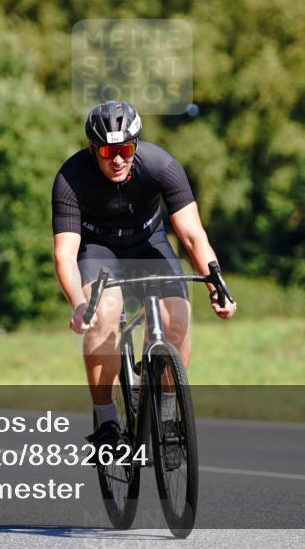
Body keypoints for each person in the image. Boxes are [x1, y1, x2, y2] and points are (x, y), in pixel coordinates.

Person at [52, 101, 237, 448]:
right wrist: (78, 303)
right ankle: (107, 423)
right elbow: (64, 254)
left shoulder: (161, 165)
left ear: (135, 145)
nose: (117, 159)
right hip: (99, 249)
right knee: (105, 314)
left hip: (148, 244)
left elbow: (193, 235)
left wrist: (217, 283)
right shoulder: (70, 178)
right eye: (108, 151)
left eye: (125, 149)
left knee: (177, 318)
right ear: (94, 149)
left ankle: (166, 416)